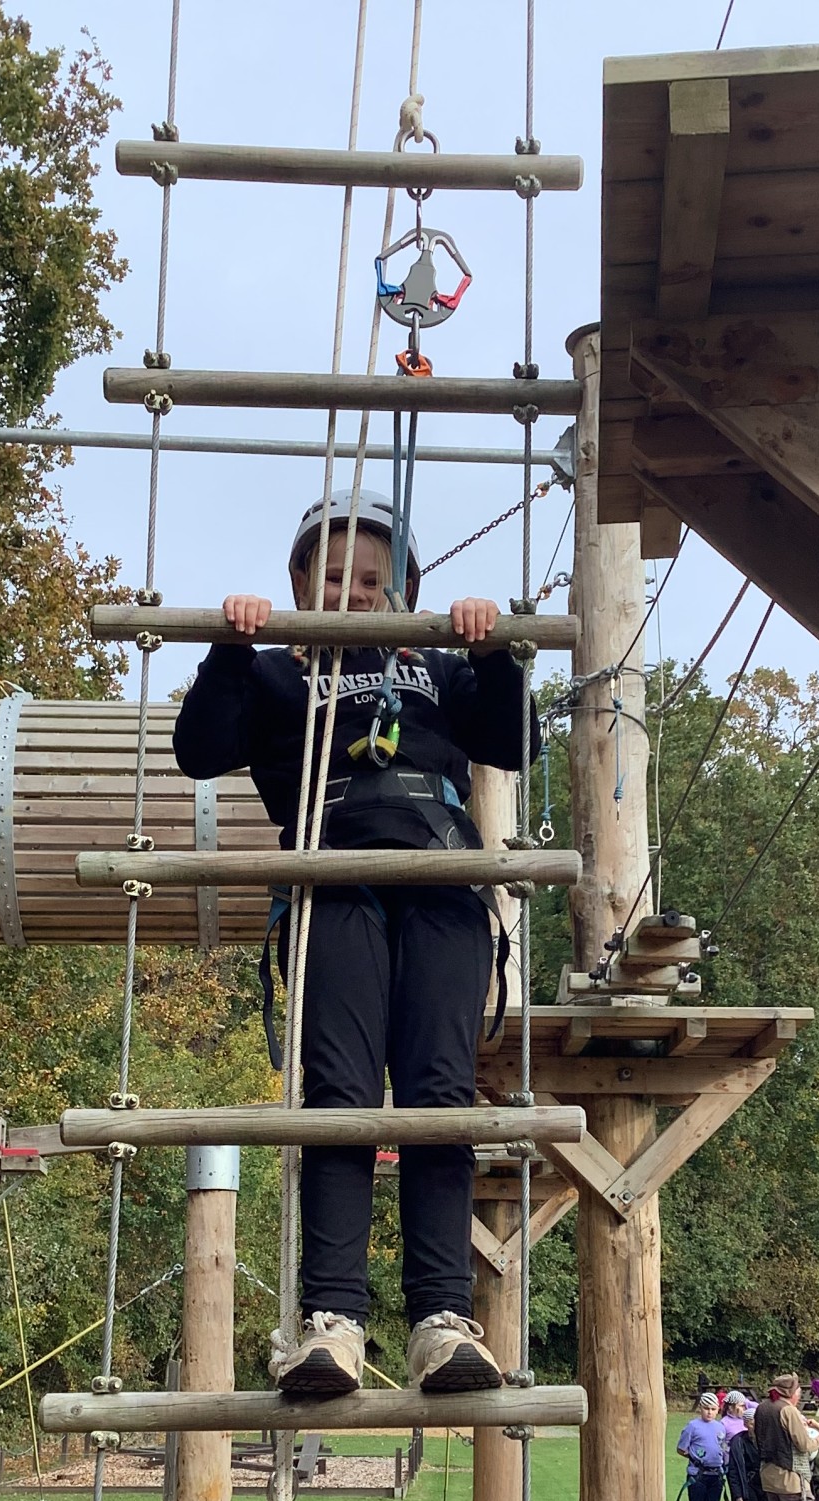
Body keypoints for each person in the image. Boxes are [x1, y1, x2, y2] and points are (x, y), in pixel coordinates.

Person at [174, 494, 538, 1398]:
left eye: (372, 581)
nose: (353, 593)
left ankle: (441, 1318)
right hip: (333, 878)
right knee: (339, 1093)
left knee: (439, 1096)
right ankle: (331, 1319)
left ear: (401, 589)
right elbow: (199, 749)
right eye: (332, 578)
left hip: (442, 885)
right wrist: (229, 648)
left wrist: (491, 654)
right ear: (298, 585)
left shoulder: (433, 667)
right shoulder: (274, 674)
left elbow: (512, 739)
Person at [752, 1373, 819, 1501]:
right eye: (798, 1389)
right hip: (790, 1476)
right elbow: (803, 1444)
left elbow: (756, 1438)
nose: (800, 1392)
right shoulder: (788, 1411)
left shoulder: (762, 1408)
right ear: (791, 1392)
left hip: (767, 1474)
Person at [722, 1392, 769, 1501]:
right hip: (746, 1483)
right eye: (751, 1423)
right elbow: (733, 1468)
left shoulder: (765, 1441)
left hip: (764, 1486)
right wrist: (737, 1493)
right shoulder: (735, 1438)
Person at [676, 1391, 728, 1501]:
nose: (709, 1412)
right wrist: (695, 1458)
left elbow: (723, 1446)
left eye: (713, 1409)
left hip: (716, 1475)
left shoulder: (720, 1427)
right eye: (706, 1408)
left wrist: (725, 1459)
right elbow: (681, 1448)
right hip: (698, 1475)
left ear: (718, 1409)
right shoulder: (693, 1426)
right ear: (700, 1408)